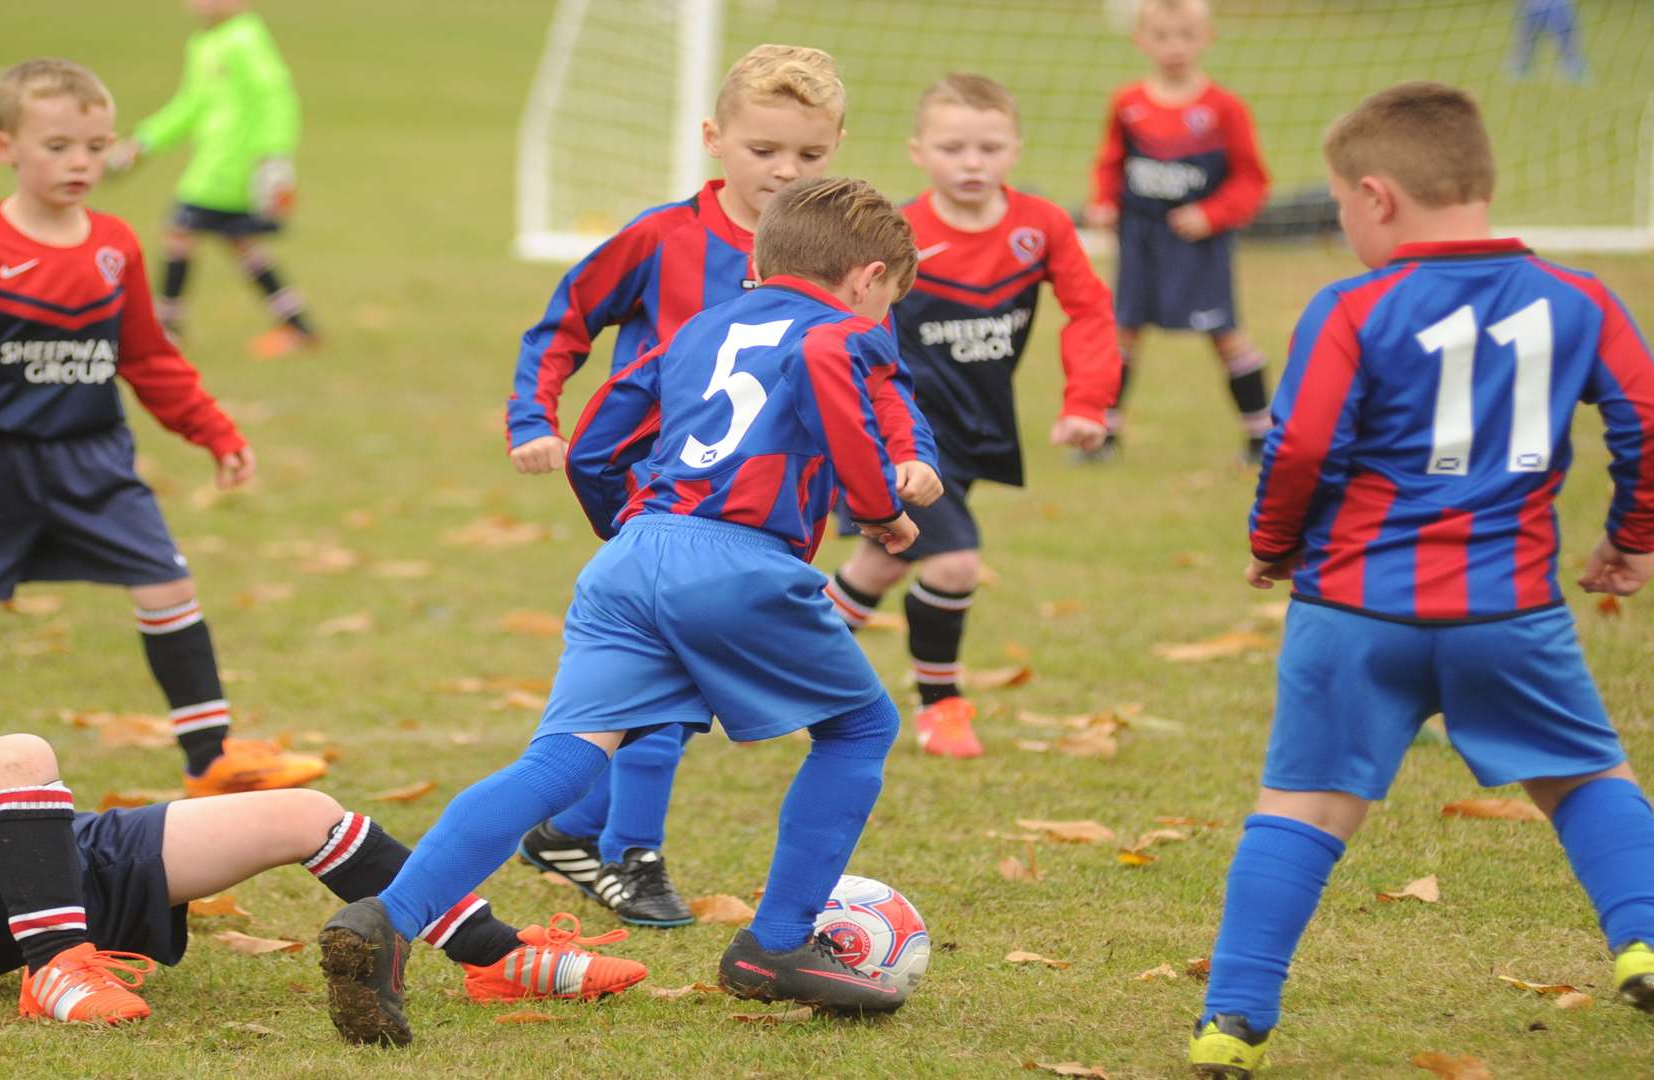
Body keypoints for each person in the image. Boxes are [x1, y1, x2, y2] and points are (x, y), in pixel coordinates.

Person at [319, 177, 928, 1046]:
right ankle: (776, 946)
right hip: (736, 561)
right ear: (868, 281)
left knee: (562, 759)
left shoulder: (697, 328)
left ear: (761, 259)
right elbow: (834, 374)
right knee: (860, 730)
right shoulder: (845, 333)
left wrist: (638, 539)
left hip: (635, 554)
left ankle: (389, 917)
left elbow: (600, 438)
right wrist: (880, 509)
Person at [1188, 82, 1654, 1076]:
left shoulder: (1355, 305)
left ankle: (1230, 1022)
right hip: (1509, 609)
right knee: (1584, 780)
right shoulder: (1580, 301)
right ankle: (1647, 942)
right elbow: (1648, 421)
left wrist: (1274, 542)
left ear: (1376, 197)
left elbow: (1302, 441)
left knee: (1303, 805)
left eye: (1344, 209)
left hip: (1355, 608)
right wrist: (1633, 537)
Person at [0, 528, 648, 1025]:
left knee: (304, 810)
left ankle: (500, 958)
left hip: (45, 863)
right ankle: (56, 970)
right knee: (17, 751)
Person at [506, 44, 940, 928]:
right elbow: (566, 320)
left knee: (669, 690)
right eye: (764, 151)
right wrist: (533, 417)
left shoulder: (838, 256)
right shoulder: (660, 237)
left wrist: (912, 450)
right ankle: (630, 853)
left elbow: (882, 377)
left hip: (759, 514)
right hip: (662, 492)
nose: (784, 172)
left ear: (839, 147)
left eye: (809, 157)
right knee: (664, 689)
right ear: (715, 139)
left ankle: (579, 828)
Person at [0, 58, 324, 797]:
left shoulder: (115, 244)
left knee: (167, 584)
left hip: (91, 459)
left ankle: (211, 760)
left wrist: (214, 430)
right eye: (57, 147)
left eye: (95, 146)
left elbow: (147, 355)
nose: (81, 162)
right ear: (3, 148)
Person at [824, 74, 1118, 758]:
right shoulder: (890, 232)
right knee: (953, 565)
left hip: (978, 423)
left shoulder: (1040, 225)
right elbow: (840, 330)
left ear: (1014, 148)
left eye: (989, 146)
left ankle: (766, 675)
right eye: (953, 147)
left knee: (881, 566)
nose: (972, 162)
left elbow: (1091, 310)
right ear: (919, 152)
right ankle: (942, 707)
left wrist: (1086, 401)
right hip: (899, 429)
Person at [1085, 0, 1271, 464]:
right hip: (1141, 240)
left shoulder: (1225, 108)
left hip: (1198, 245)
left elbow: (1252, 179)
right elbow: (1111, 162)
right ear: (1141, 40)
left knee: (1225, 335)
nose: (1175, 47)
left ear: (1207, 37)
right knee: (1122, 332)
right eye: (1163, 36)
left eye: (1186, 35)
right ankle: (1103, 437)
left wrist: (1213, 213)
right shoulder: (1128, 104)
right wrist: (1105, 202)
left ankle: (1260, 436)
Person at [109, 0, 317, 358]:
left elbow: (276, 97)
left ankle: (168, 328)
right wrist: (142, 141)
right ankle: (296, 324)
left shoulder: (246, 39)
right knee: (239, 241)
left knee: (179, 233)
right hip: (215, 159)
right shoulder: (205, 44)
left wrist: (274, 156)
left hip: (234, 166)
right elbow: (190, 106)